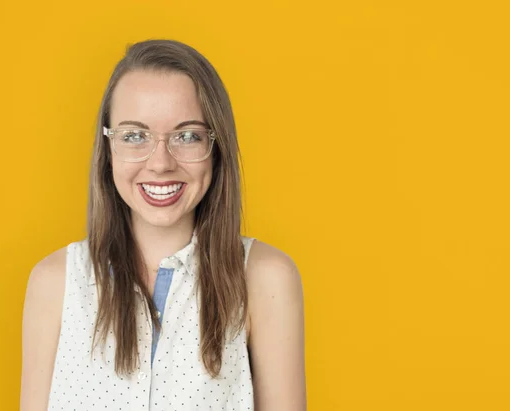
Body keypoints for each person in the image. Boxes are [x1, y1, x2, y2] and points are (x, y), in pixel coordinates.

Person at [20, 39, 306, 411]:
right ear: (108, 149)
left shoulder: (266, 278)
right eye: (135, 136)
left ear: (216, 146)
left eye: (187, 136)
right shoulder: (54, 282)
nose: (160, 163)